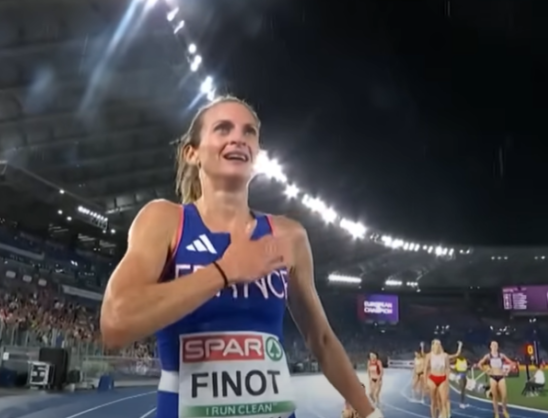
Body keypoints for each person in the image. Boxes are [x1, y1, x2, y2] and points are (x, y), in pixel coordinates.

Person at [100, 96, 382, 418]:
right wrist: (224, 271)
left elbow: (322, 340)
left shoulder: (288, 235)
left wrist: (371, 414)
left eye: (249, 132)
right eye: (223, 128)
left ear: (257, 153)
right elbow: (115, 323)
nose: (238, 138)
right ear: (192, 153)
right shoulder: (165, 221)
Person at [424, 339, 462, 418]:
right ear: (432, 346)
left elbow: (447, 368)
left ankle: (445, 415)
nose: (436, 346)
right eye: (435, 344)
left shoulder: (445, 356)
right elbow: (425, 369)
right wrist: (425, 382)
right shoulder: (429, 356)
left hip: (442, 378)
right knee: (433, 401)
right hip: (432, 378)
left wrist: (447, 381)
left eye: (438, 344)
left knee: (444, 401)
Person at [477, 341, 514, 418]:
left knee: (504, 395)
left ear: (497, 347)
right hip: (493, 377)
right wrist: (486, 371)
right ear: (490, 347)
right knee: (495, 396)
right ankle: (496, 413)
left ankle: (504, 411)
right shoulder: (488, 356)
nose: (494, 346)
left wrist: (507, 371)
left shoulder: (501, 355)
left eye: (496, 345)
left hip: (501, 377)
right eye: (493, 345)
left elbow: (511, 363)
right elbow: (479, 364)